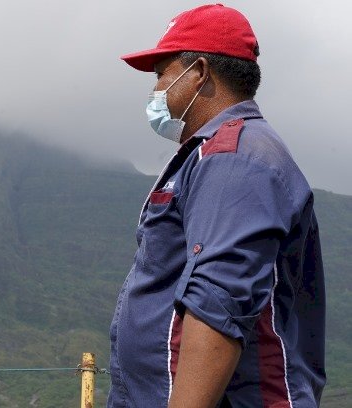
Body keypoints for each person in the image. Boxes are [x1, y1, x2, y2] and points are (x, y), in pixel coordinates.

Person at [108, 4, 325, 407]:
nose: (156, 91)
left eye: (161, 76)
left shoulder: (234, 158)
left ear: (200, 73)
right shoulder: (215, 154)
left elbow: (219, 298)